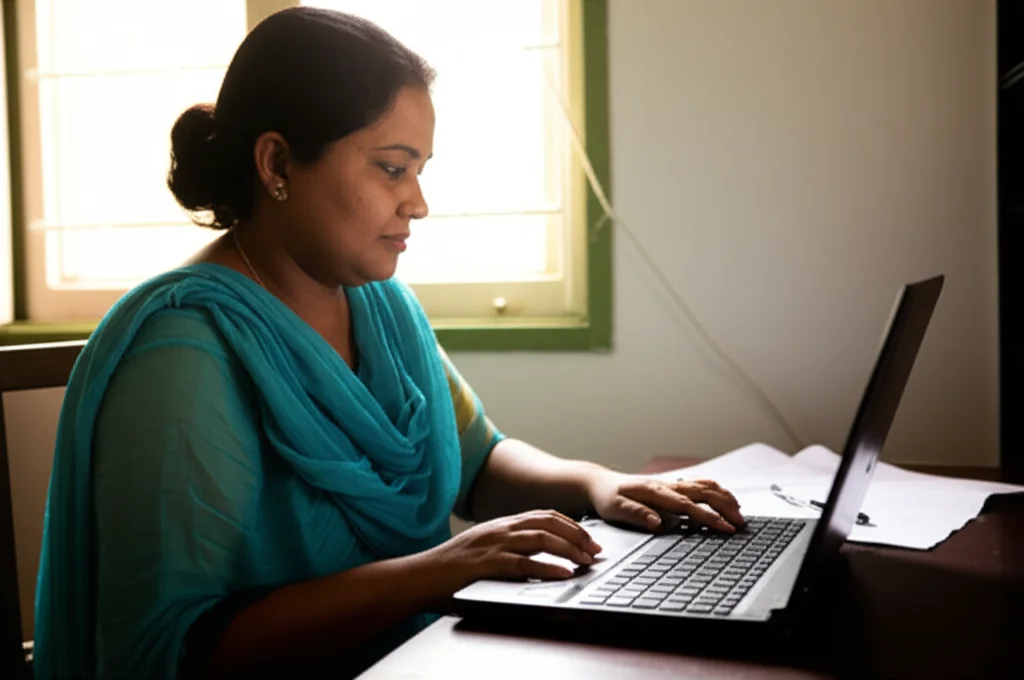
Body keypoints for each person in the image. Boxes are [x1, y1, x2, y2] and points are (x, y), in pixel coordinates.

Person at [32, 7, 744, 679]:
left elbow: (479, 459)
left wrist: (602, 485)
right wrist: (441, 567)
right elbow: (180, 651)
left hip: (424, 652)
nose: (419, 203)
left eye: (420, 171)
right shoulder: (186, 357)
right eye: (392, 168)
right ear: (278, 164)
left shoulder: (380, 307)